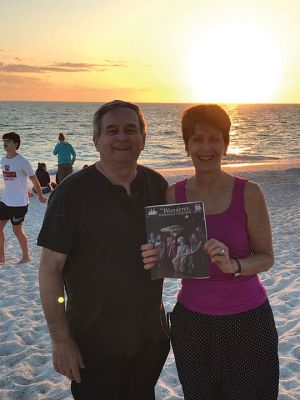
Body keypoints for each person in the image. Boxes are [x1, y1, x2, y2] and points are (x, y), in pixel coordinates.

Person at [142, 104, 279, 399]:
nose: (206, 147)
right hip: (192, 321)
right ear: (187, 145)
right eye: (197, 139)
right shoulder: (173, 195)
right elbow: (171, 254)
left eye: (215, 138)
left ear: (226, 144)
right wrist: (156, 257)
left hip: (249, 318)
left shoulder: (249, 192)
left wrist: (235, 265)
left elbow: (266, 257)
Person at [38, 100, 170, 400]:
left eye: (130, 130)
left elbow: (174, 252)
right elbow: (50, 271)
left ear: (143, 138)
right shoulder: (71, 193)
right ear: (96, 140)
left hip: (150, 339)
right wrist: (61, 341)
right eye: (112, 130)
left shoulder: (157, 186)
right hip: (92, 344)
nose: (121, 137)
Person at [0, 132, 47, 264]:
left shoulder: (22, 161)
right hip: (5, 201)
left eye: (8, 141)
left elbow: (34, 179)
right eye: (4, 140)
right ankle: (1, 257)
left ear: (16, 144)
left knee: (17, 230)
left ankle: (26, 257)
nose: (5, 143)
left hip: (19, 203)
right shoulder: (3, 160)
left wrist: (41, 196)